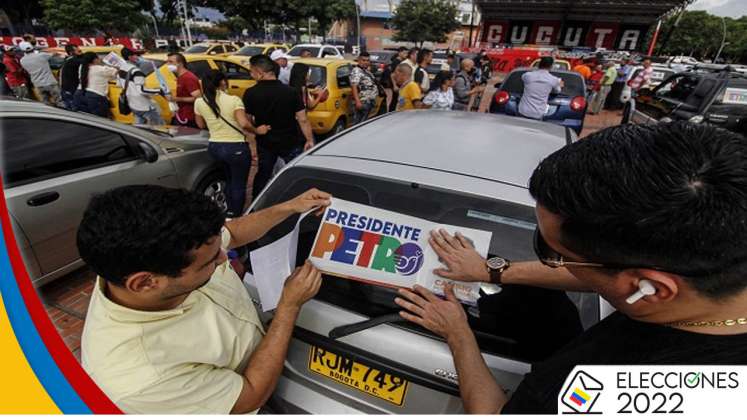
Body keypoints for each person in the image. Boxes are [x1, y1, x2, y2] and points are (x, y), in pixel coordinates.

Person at [395, 122, 747, 414]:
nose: (552, 259)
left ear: (649, 288)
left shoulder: (617, 396)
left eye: (553, 252)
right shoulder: (716, 266)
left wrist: (458, 333)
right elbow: (603, 275)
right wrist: (494, 270)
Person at [78, 184, 331, 413]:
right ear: (146, 282)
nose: (224, 258)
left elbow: (232, 233)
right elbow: (250, 396)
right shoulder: (144, 378)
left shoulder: (170, 254)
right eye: (210, 262)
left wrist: (290, 207)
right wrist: (288, 307)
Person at [195, 70, 270, 217]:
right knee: (238, 184)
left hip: (214, 146)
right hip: (235, 147)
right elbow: (244, 123)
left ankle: (227, 210)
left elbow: (200, 124)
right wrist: (258, 130)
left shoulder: (199, 101)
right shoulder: (233, 100)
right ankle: (234, 215)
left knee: (228, 179)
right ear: (222, 82)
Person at [243, 54, 315, 199]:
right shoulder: (291, 92)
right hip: (290, 140)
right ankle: (299, 199)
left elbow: (248, 122)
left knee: (263, 174)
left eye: (251, 71)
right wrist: (309, 139)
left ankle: (257, 202)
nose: (251, 75)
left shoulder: (250, 93)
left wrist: (252, 143)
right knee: (294, 171)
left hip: (265, 141)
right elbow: (303, 119)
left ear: (259, 72)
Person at [119, 47, 165, 126]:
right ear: (130, 57)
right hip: (144, 105)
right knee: (160, 127)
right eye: (136, 55)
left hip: (132, 104)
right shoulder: (136, 71)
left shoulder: (121, 69)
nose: (138, 57)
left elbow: (119, 84)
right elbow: (141, 90)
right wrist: (158, 90)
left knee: (139, 127)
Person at [516, 57, 563, 121]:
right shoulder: (554, 80)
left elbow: (523, 79)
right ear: (551, 66)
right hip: (537, 113)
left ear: (539, 64)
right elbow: (557, 91)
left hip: (523, 111)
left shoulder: (528, 75)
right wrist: (558, 84)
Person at [19, 41, 63, 107]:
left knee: (47, 104)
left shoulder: (22, 60)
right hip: (50, 82)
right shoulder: (41, 55)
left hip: (38, 85)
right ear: (32, 48)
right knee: (60, 102)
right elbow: (54, 54)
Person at [77, 52, 119, 117]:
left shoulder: (82, 67)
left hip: (80, 94)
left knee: (87, 119)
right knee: (100, 120)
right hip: (96, 97)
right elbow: (117, 71)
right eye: (98, 58)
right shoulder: (101, 69)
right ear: (94, 60)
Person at [166, 52, 201, 128]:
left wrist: (176, 99)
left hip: (188, 117)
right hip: (181, 114)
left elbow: (198, 98)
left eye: (171, 62)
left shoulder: (188, 78)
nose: (168, 65)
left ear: (180, 64)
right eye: (167, 62)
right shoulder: (180, 77)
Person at [350, 52, 379, 125]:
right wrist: (357, 101)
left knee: (363, 124)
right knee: (358, 125)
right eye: (363, 60)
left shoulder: (365, 71)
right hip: (362, 102)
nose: (366, 62)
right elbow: (354, 86)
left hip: (368, 102)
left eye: (368, 60)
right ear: (358, 60)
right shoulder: (356, 71)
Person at [383, 47, 408, 112]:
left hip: (399, 84)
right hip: (396, 84)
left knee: (398, 99)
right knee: (395, 100)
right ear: (399, 53)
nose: (406, 54)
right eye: (404, 53)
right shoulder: (396, 62)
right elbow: (392, 74)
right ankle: (391, 113)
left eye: (406, 53)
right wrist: (394, 85)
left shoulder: (401, 62)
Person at [60, 44, 82, 110]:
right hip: (70, 90)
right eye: (78, 51)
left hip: (67, 89)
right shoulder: (73, 60)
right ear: (71, 52)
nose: (80, 51)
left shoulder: (67, 59)